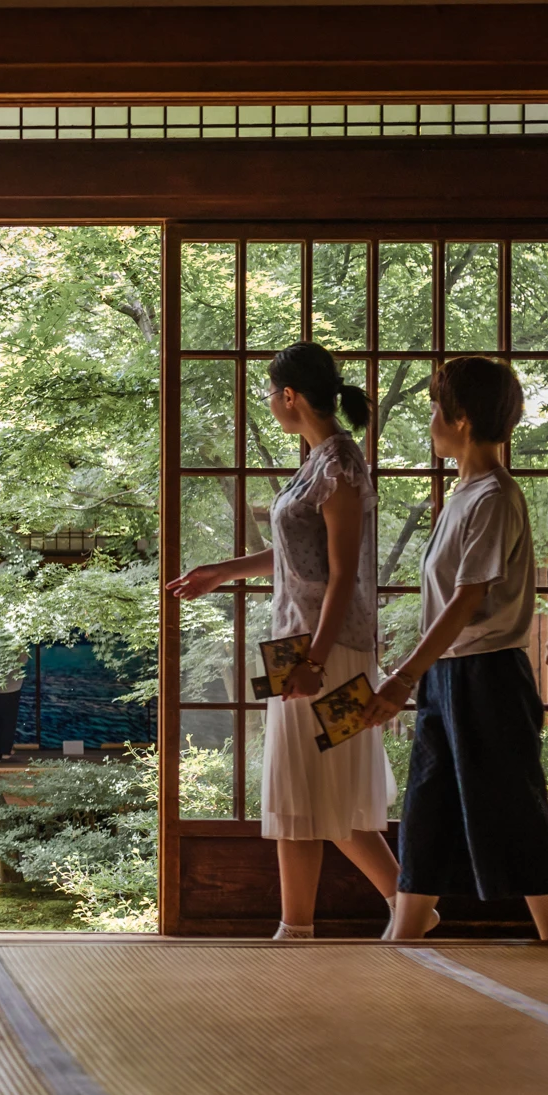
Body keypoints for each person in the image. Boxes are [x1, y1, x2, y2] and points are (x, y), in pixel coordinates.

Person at [167, 341, 398, 939]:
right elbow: (300, 557)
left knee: (327, 785)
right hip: (293, 648)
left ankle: (390, 908)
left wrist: (316, 663)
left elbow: (345, 572)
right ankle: (313, 925)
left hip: (331, 653)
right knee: (301, 789)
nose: (269, 402)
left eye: (271, 392)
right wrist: (222, 571)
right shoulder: (316, 462)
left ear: (289, 396)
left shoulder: (341, 464)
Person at [364, 357, 548, 943]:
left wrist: (403, 676)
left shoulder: (495, 496)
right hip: (450, 675)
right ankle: (402, 934)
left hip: (488, 674)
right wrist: (417, 675)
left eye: (435, 409)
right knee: (429, 802)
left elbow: (466, 600)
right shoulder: (462, 495)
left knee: (514, 802)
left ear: (463, 419)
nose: (430, 421)